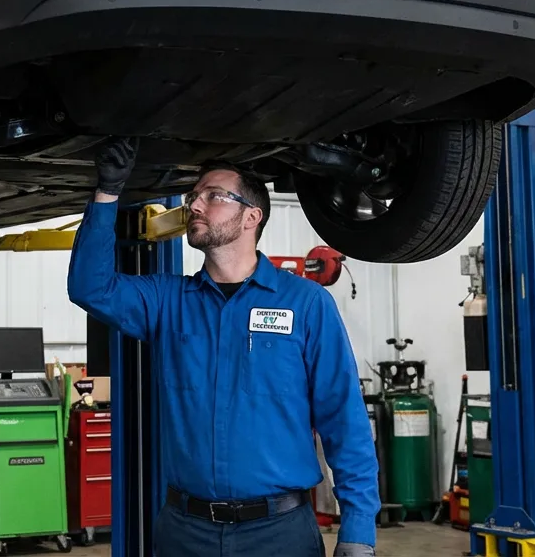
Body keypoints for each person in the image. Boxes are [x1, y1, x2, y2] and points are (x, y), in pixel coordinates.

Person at [67, 138, 380, 557]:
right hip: (184, 532)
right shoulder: (168, 302)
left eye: (214, 196)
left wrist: (358, 528)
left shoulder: (305, 303)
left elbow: (344, 418)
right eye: (194, 196)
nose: (195, 205)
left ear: (252, 216)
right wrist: (107, 193)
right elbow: (90, 287)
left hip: (280, 534)